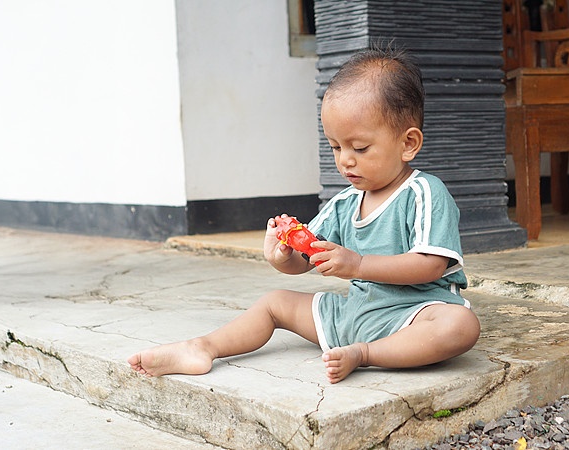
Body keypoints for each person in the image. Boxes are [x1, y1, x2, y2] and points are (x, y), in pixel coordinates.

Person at [127, 47, 480, 384]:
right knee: (274, 302)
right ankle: (202, 347)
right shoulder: (343, 203)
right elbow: (306, 261)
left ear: (408, 144)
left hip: (413, 315)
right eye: (335, 146)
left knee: (460, 325)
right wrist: (283, 256)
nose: (345, 160)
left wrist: (357, 266)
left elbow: (429, 265)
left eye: (359, 148)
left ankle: (367, 354)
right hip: (353, 315)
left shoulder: (424, 193)